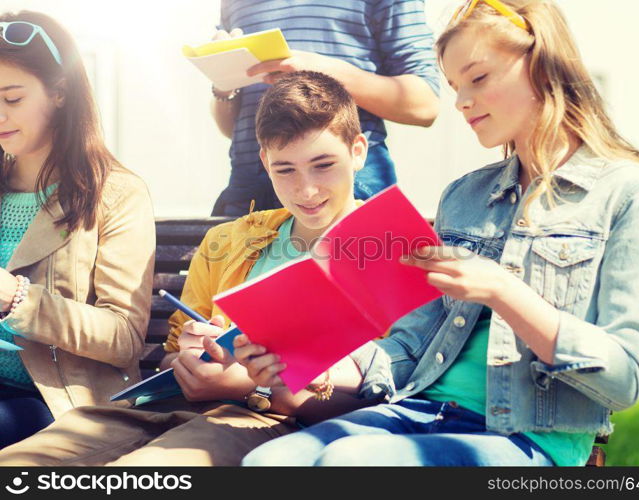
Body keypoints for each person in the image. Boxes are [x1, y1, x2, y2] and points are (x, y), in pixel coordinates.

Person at [239, 0, 639, 466]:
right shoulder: (465, 196)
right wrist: (304, 361)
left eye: (478, 78)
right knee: (267, 464)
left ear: (542, 63)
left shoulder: (631, 195)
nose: (462, 101)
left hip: (529, 439)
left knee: (348, 463)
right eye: (454, 86)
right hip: (420, 411)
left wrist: (503, 290)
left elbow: (625, 377)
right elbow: (408, 347)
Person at [0, 71, 383, 465]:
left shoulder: (391, 249)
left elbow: (388, 401)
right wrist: (190, 359)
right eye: (286, 169)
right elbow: (170, 360)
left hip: (268, 422)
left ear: (357, 151)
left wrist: (245, 387)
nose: (306, 190)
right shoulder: (228, 241)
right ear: (265, 161)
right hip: (168, 408)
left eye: (323, 165)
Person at [0, 11, 155, 448]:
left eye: (12, 99)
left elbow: (123, 338)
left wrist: (17, 299)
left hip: (56, 403)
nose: (0, 115)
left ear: (60, 93)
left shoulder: (115, 193)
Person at [210, 0, 441, 217]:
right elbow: (231, 129)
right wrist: (223, 86)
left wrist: (322, 72)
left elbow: (425, 103)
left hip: (349, 183)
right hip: (248, 187)